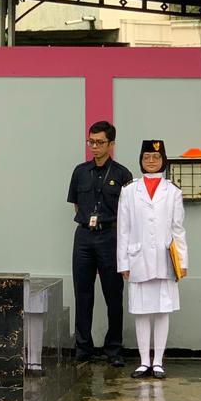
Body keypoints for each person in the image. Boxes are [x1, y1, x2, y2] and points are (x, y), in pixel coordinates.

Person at [117, 139, 188, 380]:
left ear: (163, 160)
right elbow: (123, 229)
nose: (151, 161)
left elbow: (178, 229)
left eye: (155, 157)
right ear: (141, 159)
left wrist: (183, 260)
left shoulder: (173, 191)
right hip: (137, 257)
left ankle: (158, 361)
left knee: (161, 311)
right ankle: (143, 361)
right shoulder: (129, 190)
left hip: (165, 258)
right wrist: (123, 262)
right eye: (147, 157)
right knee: (141, 311)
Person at [66, 120, 133, 366]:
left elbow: (128, 212)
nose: (94, 147)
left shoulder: (122, 174)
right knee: (82, 293)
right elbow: (76, 203)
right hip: (84, 236)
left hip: (110, 235)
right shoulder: (80, 171)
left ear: (111, 144)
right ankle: (83, 348)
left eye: (100, 142)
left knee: (113, 294)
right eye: (91, 142)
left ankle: (113, 349)